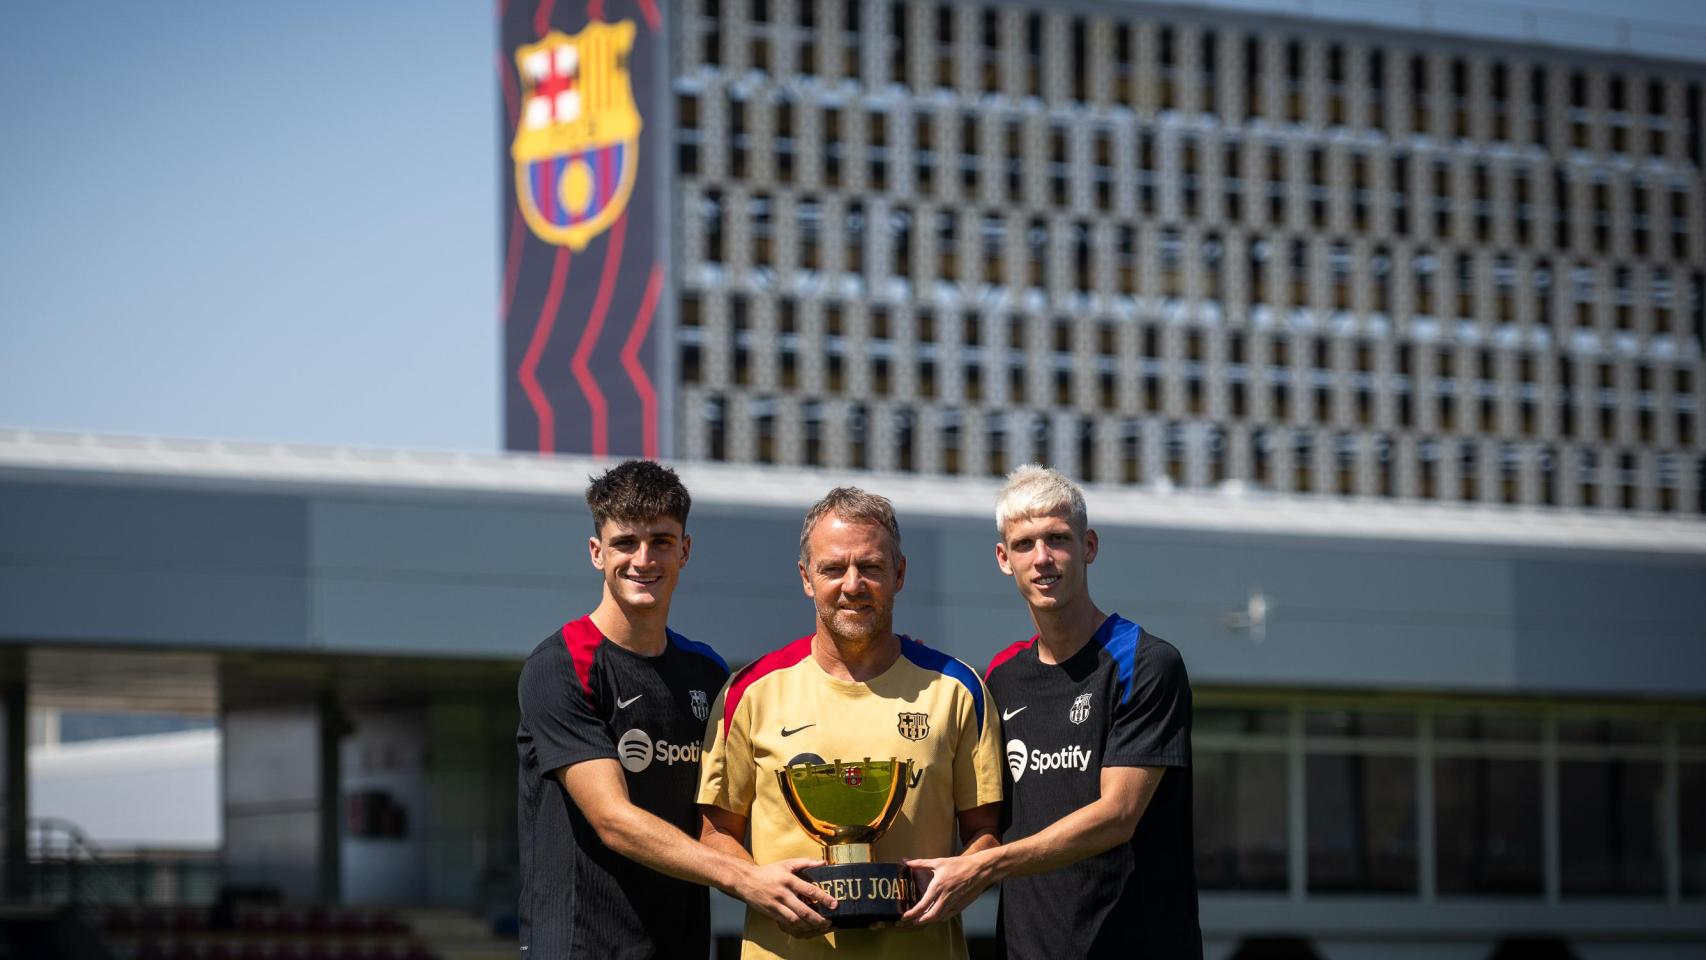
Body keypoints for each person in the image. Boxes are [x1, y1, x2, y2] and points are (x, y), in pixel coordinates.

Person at [516, 460, 832, 959]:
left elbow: (731, 808)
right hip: (582, 948)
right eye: (625, 543)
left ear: (684, 551)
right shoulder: (561, 664)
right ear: (597, 553)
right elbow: (613, 819)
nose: (643, 559)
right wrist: (748, 879)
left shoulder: (706, 671)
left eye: (661, 541)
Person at [902, 464, 1201, 958]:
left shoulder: (1145, 662)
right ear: (1003, 558)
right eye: (1024, 544)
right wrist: (908, 670)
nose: (1042, 559)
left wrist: (984, 866)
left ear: (1089, 547)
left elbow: (1117, 816)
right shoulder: (1000, 677)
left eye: (1057, 539)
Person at [698, 486, 1004, 959]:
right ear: (806, 577)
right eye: (833, 568)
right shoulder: (750, 691)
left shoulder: (957, 689)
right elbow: (716, 836)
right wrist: (759, 885)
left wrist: (958, 879)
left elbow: (986, 834)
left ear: (899, 573)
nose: (853, 584)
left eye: (871, 567)